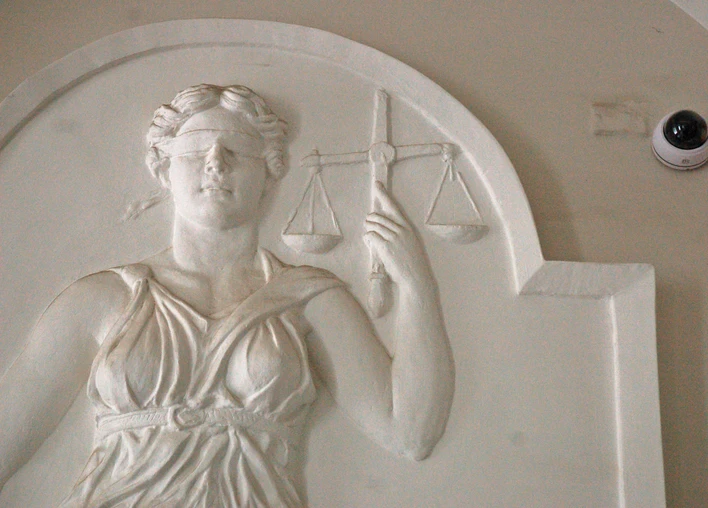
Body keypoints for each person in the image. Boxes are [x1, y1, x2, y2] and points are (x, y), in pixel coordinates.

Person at [0, 84, 454, 507]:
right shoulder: (99, 300)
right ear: (162, 168)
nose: (216, 163)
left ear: (270, 171)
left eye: (237, 150)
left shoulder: (306, 297)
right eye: (196, 151)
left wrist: (417, 285)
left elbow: (409, 432)